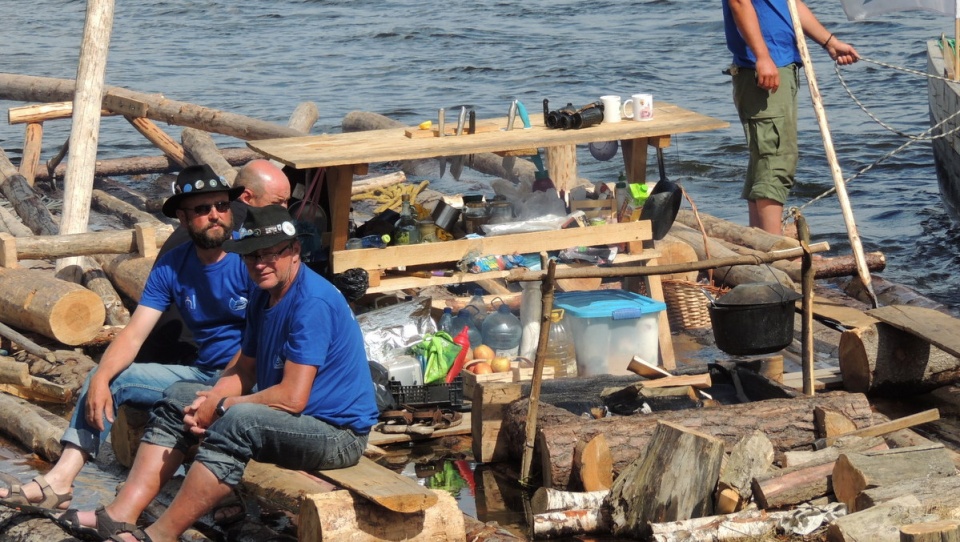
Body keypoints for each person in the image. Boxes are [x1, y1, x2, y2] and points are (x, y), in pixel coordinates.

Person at [61, 205, 378, 542]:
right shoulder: (263, 295)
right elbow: (244, 367)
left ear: (295, 251)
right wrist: (211, 399)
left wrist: (223, 407)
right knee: (180, 396)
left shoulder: (312, 303)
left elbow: (291, 398)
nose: (260, 264)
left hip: (337, 434)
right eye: (251, 256)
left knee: (239, 421)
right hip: (293, 423)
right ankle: (119, 515)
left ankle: (159, 536)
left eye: (270, 255)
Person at [0, 164, 252, 513]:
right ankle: (60, 481)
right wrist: (101, 377)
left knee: (176, 398)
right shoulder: (172, 264)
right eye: (202, 209)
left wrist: (223, 389)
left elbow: (264, 340)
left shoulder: (250, 258)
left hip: (248, 379)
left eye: (221, 206)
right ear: (182, 217)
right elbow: (134, 334)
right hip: (202, 372)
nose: (215, 215)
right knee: (108, 376)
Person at [723, 0, 859, 234]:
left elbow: (791, 4)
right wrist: (763, 56)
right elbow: (739, 3)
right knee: (775, 158)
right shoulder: (764, 58)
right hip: (764, 66)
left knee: (765, 157)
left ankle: (760, 242)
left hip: (780, 63)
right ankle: (775, 251)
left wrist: (830, 42)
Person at [140, 159, 292, 364]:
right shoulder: (248, 237)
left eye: (222, 206)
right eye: (278, 203)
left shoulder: (234, 243)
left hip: (210, 356)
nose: (285, 211)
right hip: (187, 349)